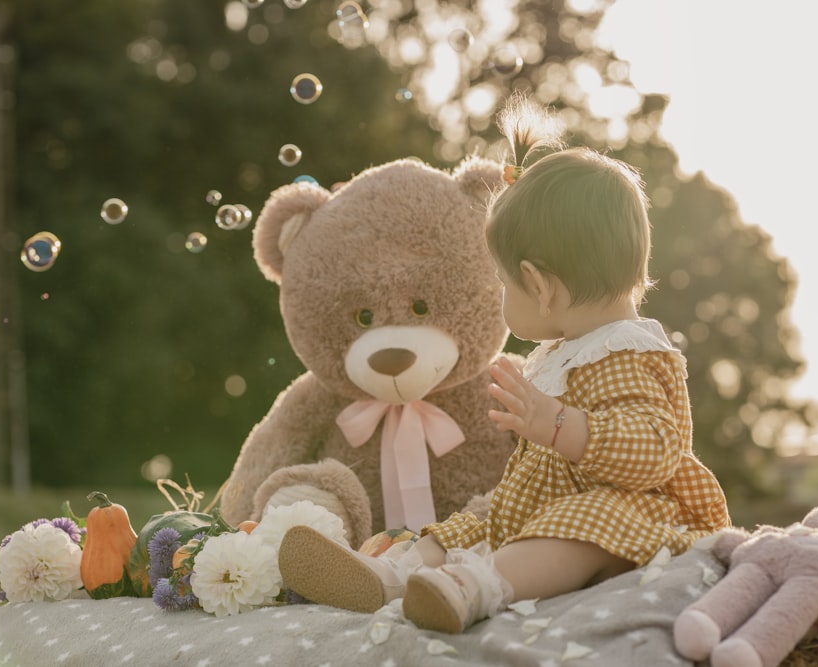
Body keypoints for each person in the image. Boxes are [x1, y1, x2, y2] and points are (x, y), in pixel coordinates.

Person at [278, 97, 731, 634]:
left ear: (538, 287)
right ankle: (389, 576)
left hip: (628, 520)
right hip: (542, 508)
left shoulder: (628, 352)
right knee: (477, 522)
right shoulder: (564, 353)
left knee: (570, 528)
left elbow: (655, 451)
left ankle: (474, 588)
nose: (499, 296)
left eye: (502, 283)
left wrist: (556, 424)